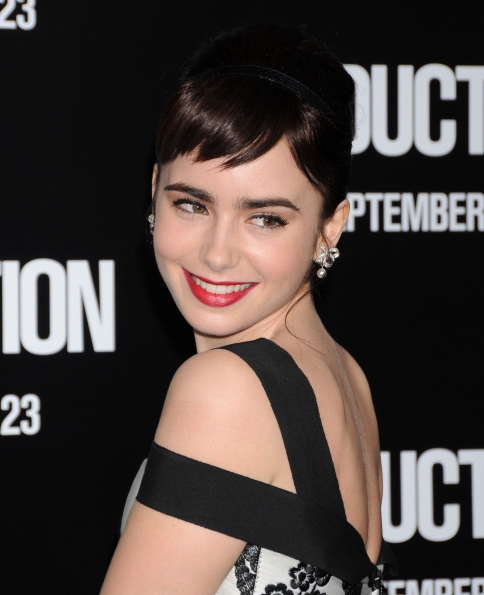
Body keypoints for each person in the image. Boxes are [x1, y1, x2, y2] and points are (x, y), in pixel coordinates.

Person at [100, 22, 396, 595]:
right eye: (192, 204)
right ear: (155, 189)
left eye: (265, 218)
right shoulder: (344, 374)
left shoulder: (227, 388)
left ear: (329, 227)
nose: (217, 253)